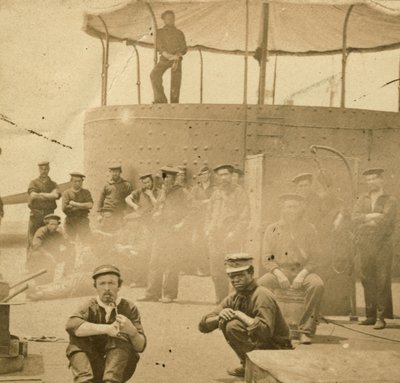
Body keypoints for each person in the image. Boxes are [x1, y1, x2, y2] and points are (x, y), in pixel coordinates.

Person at [199, 254, 291, 378]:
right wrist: (219, 316)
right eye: (231, 276)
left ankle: (259, 366)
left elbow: (265, 331)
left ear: (251, 274)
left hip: (278, 349)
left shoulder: (262, 295)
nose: (235, 280)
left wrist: (240, 315)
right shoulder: (235, 296)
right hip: (265, 344)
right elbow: (203, 326)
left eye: (240, 275)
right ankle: (249, 364)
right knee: (228, 322)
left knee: (233, 325)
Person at [258, 194, 324, 345]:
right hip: (281, 270)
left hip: (304, 271)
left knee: (317, 285)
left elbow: (316, 257)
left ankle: (305, 331)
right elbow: (266, 257)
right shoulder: (272, 229)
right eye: (288, 207)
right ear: (282, 209)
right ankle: (267, 327)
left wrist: (303, 274)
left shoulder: (309, 228)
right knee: (260, 286)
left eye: (295, 207)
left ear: (301, 209)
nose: (291, 211)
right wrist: (278, 273)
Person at [65, 265, 146, 383]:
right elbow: (71, 325)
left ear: (119, 286)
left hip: (119, 370)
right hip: (92, 368)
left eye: (111, 283)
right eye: (102, 284)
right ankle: (84, 381)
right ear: (95, 287)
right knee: (76, 340)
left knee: (120, 337)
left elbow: (140, 346)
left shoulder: (128, 307)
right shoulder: (88, 306)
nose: (107, 288)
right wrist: (107, 329)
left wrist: (132, 331)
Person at [352, 168, 397, 330]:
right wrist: (372, 216)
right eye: (368, 180)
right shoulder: (362, 199)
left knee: (382, 279)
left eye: (374, 179)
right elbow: (354, 217)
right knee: (366, 278)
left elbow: (386, 220)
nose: (371, 182)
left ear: (381, 180)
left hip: (382, 244)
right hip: (365, 243)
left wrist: (366, 220)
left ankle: (381, 317)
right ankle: (370, 316)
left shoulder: (390, 199)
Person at [139, 165, 190, 303]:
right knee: (154, 261)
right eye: (164, 178)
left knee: (171, 262)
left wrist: (181, 224)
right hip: (160, 230)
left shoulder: (182, 192)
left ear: (174, 179)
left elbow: (192, 211)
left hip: (173, 231)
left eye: (168, 178)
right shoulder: (163, 191)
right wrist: (156, 214)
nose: (165, 181)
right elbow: (158, 207)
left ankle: (169, 294)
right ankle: (152, 294)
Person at [205, 164, 250, 303]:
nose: (223, 178)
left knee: (233, 272)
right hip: (215, 237)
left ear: (231, 176)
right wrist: (207, 229)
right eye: (220, 175)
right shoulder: (216, 193)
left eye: (226, 174)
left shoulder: (239, 193)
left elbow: (245, 217)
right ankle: (221, 300)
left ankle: (234, 300)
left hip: (230, 237)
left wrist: (233, 234)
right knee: (216, 272)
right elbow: (208, 213)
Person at [125, 173, 161, 286]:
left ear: (152, 182)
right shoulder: (139, 191)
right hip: (141, 225)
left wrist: (151, 195)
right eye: (144, 183)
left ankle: (147, 280)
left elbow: (158, 205)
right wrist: (134, 205)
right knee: (139, 251)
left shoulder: (158, 191)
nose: (147, 184)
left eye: (148, 182)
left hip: (153, 225)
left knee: (149, 252)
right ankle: (138, 279)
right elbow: (127, 198)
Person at [150, 10, 187, 103]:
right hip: (165, 58)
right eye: (168, 18)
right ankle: (161, 99)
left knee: (176, 80)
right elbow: (159, 45)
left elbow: (184, 47)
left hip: (176, 59)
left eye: (172, 18)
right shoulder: (160, 32)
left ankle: (174, 101)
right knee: (154, 75)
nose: (171, 20)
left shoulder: (179, 33)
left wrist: (178, 54)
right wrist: (166, 54)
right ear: (164, 20)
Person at [27, 214, 70, 285]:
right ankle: (37, 279)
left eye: (56, 224)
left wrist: (64, 234)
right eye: (52, 224)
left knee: (71, 251)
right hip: (43, 256)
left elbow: (67, 243)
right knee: (36, 255)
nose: (54, 227)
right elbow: (36, 245)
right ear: (47, 224)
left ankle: (67, 274)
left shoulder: (58, 232)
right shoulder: (41, 231)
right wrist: (48, 255)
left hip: (54, 256)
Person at [27, 161, 60, 248]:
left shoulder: (53, 184)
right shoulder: (33, 182)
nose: (43, 171)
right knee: (32, 241)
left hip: (49, 216)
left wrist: (40, 194)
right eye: (41, 169)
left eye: (46, 169)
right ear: (39, 170)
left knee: (48, 241)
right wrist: (49, 195)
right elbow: (33, 196)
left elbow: (55, 195)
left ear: (49, 169)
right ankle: (31, 261)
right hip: (36, 215)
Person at [190, 166, 216, 276]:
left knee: (209, 244)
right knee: (196, 243)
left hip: (210, 220)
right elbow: (191, 202)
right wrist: (205, 202)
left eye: (205, 174)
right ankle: (200, 268)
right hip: (198, 220)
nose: (203, 176)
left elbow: (216, 203)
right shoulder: (196, 189)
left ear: (209, 175)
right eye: (201, 174)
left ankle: (210, 268)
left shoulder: (215, 188)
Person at [97, 164, 133, 233]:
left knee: (119, 233)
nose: (114, 173)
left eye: (116, 171)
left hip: (120, 213)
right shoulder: (106, 185)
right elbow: (101, 200)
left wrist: (127, 212)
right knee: (106, 233)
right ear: (110, 172)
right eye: (113, 172)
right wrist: (99, 214)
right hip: (108, 212)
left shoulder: (126, 185)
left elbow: (130, 199)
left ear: (120, 172)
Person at [62, 172, 93, 241]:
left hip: (83, 221)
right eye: (75, 181)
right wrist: (83, 206)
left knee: (87, 242)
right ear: (71, 181)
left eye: (80, 181)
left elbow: (90, 205)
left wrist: (74, 204)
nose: (78, 183)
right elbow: (64, 209)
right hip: (70, 222)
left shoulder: (86, 192)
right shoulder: (66, 193)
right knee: (69, 244)